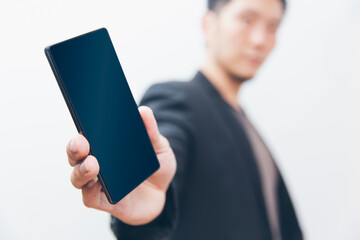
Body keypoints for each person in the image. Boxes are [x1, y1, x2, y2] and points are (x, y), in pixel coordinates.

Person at [66, 0, 303, 239]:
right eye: (247, 20)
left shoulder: (246, 124)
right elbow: (164, 165)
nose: (260, 39)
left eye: (273, 27)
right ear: (209, 24)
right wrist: (150, 207)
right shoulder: (179, 100)